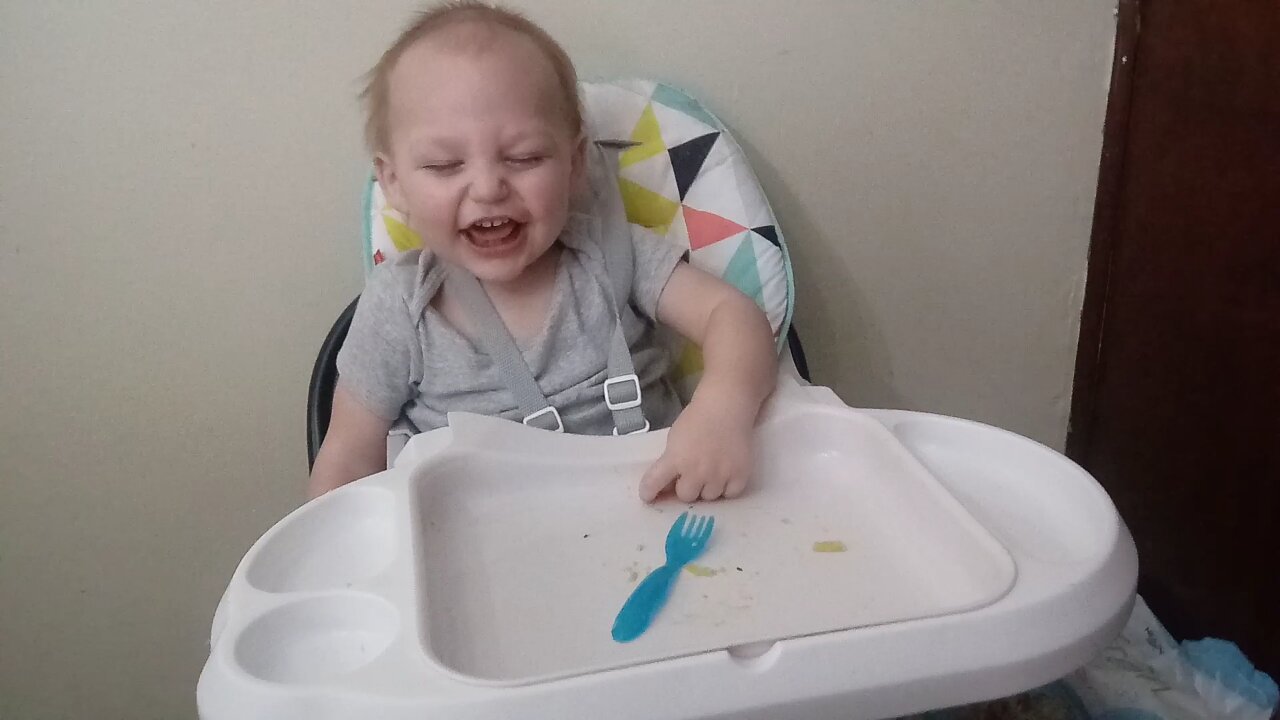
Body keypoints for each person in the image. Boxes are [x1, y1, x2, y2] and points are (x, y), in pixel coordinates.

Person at [309, 1, 777, 504]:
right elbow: (347, 461)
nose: (488, 187)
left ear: (575, 164)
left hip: (654, 523)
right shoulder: (400, 308)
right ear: (394, 184)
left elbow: (732, 315)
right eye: (446, 165)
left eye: (524, 157)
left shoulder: (613, 256)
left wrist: (721, 411)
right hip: (479, 557)